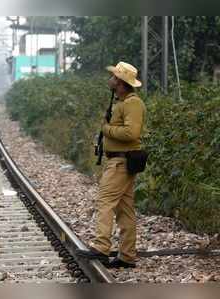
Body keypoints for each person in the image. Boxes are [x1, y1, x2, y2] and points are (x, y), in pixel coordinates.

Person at [82, 62, 146, 268]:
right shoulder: (121, 102)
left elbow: (131, 133)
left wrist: (107, 129)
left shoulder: (132, 103)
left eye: (113, 76)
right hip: (119, 161)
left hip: (121, 161)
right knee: (124, 209)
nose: (110, 79)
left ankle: (101, 247)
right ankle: (127, 255)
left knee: (105, 202)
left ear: (119, 81)